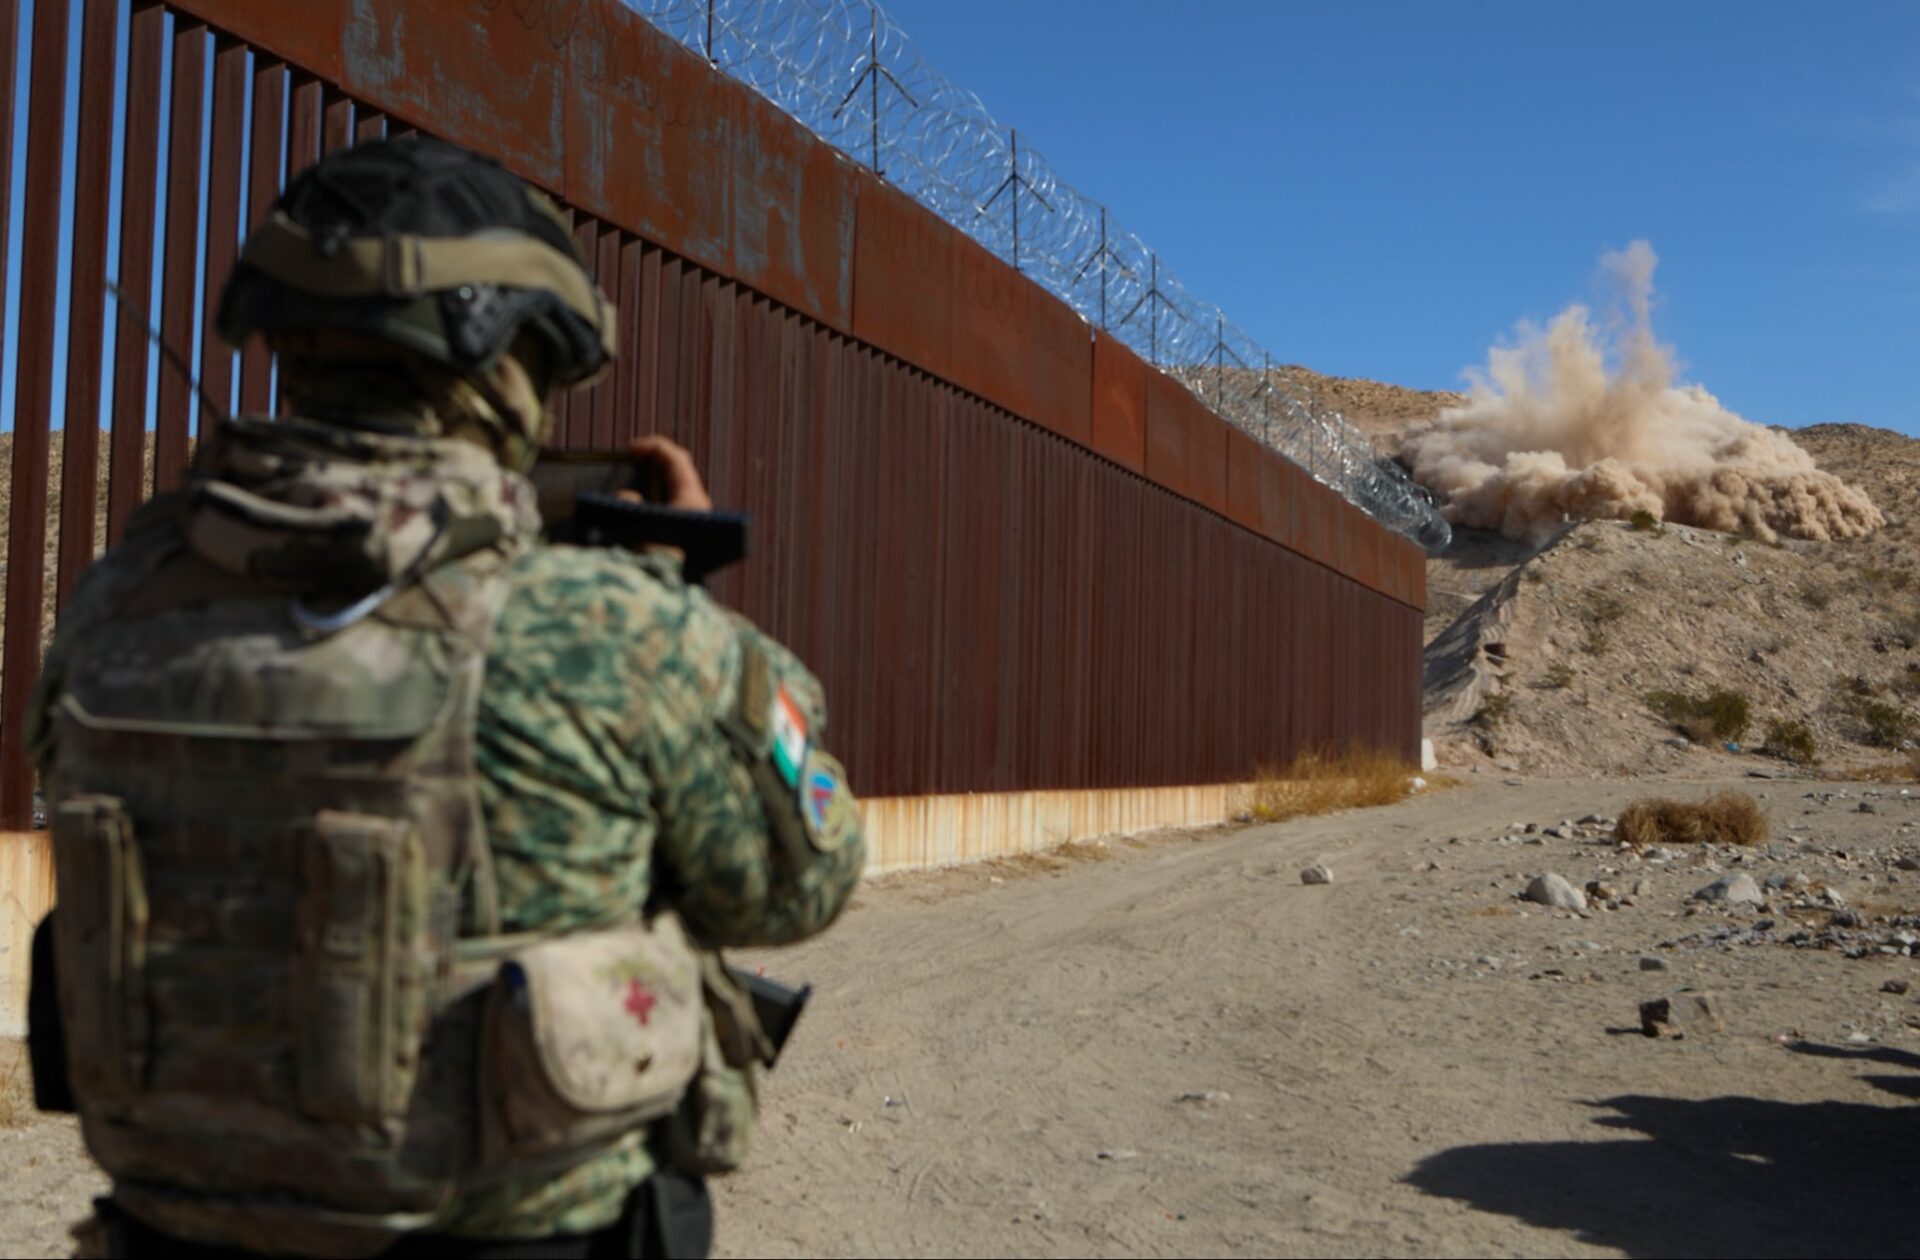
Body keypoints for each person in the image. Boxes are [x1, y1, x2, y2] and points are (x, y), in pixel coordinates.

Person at [27, 135, 864, 1259]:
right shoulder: (609, 627)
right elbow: (798, 883)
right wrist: (687, 618)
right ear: (507, 357)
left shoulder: (112, 602)